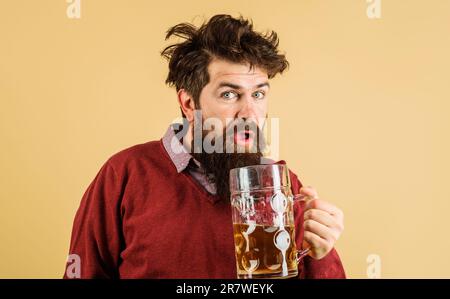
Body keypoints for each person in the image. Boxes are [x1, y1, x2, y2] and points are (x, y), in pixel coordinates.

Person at [63, 14, 345, 279]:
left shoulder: (281, 188)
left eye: (258, 93)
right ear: (188, 103)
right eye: (229, 94)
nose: (249, 113)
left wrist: (322, 254)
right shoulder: (124, 174)